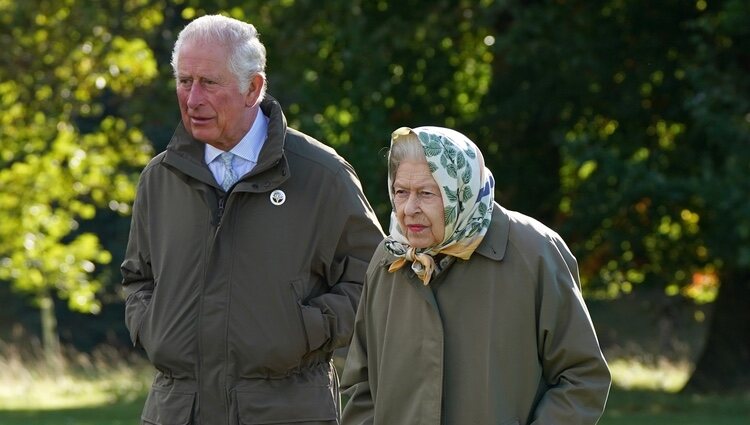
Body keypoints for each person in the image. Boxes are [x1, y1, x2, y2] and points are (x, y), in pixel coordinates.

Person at [121, 15, 384, 425]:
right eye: (184, 81)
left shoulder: (321, 174)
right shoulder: (160, 177)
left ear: (253, 88)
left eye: (208, 82)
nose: (192, 99)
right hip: (176, 411)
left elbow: (374, 277)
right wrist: (154, 329)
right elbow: (138, 278)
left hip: (286, 410)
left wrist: (303, 329)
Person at [341, 126, 611, 425]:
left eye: (427, 193)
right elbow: (361, 386)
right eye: (401, 192)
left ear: (460, 190)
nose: (409, 209)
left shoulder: (534, 253)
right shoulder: (388, 258)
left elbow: (582, 377)